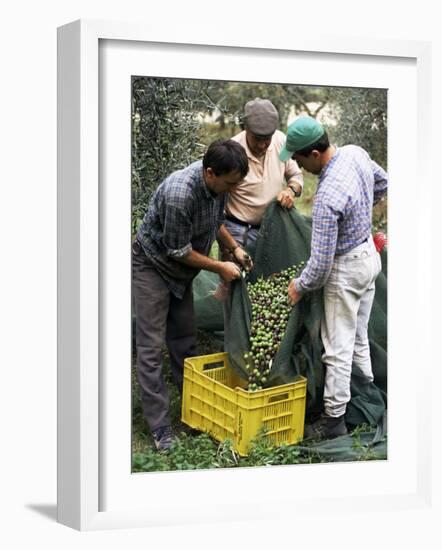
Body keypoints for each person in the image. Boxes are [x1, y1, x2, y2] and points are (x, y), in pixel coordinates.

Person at [132, 139, 252, 451]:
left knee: (184, 342)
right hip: (153, 267)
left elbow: (216, 223)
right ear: (210, 173)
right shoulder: (179, 194)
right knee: (150, 348)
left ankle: (193, 412)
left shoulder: (216, 189)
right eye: (229, 183)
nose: (232, 189)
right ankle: (160, 428)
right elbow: (178, 250)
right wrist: (219, 267)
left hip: (180, 274)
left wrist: (234, 248)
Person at [280, 116, 388, 439]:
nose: (297, 163)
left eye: (298, 157)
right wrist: (364, 207)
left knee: (337, 346)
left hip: (346, 269)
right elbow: (383, 182)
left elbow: (321, 264)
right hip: (370, 256)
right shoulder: (355, 153)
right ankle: (366, 392)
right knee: (358, 335)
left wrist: (299, 286)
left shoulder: (327, 197)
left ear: (313, 154)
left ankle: (334, 419)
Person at [224, 98, 304, 250]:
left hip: (271, 229)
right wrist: (228, 245)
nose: (262, 145)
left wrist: (291, 190)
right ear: (245, 128)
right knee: (235, 273)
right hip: (237, 231)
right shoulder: (232, 151)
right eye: (256, 139)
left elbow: (296, 176)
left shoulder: (281, 142)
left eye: (267, 139)